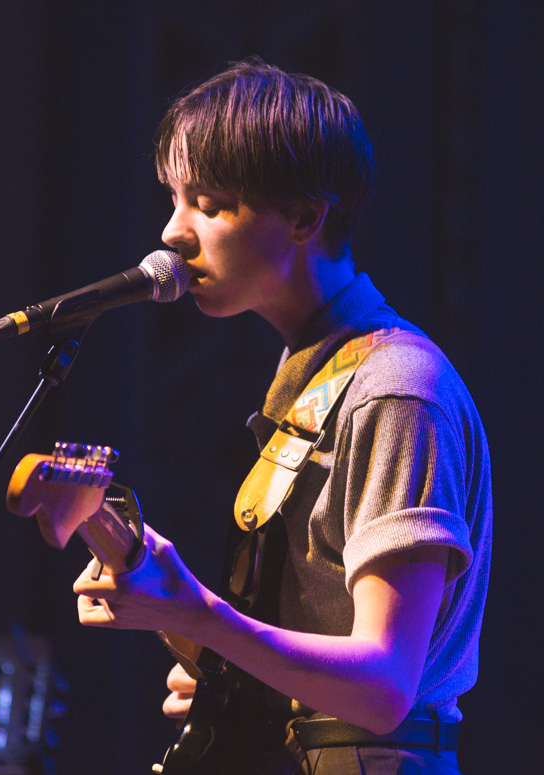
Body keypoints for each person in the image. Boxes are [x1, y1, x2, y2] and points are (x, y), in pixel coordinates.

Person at [71, 58, 492, 774]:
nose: (172, 233)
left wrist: (201, 613)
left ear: (304, 215)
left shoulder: (395, 387)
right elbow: (319, 664)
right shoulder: (314, 378)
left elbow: (385, 685)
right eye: (174, 199)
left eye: (208, 202)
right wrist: (195, 635)